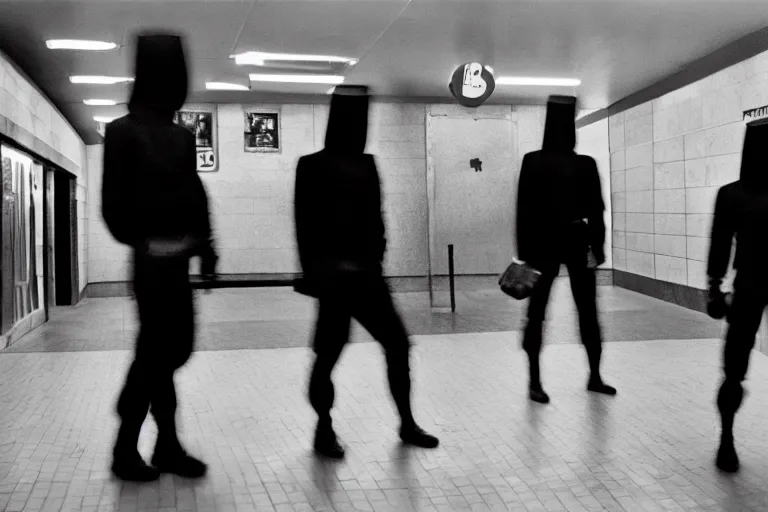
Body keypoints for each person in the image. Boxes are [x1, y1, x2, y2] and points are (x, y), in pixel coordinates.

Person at [293, 85, 439, 459]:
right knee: (328, 356)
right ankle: (324, 429)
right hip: (335, 279)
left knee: (396, 346)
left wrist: (376, 256)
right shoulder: (312, 165)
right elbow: (305, 224)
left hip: (366, 276)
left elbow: (377, 218)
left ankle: (406, 422)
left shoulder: (365, 164)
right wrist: (316, 270)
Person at [102, 33, 218, 482]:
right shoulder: (122, 132)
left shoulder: (182, 137)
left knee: (171, 353)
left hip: (177, 263)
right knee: (155, 355)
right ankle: (129, 446)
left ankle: (162, 445)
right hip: (151, 265)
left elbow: (194, 195)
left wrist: (204, 247)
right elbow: (114, 206)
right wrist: (149, 241)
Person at [516, 95, 616, 404]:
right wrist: (597, 250)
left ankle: (534, 381)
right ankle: (595, 376)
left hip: (542, 243)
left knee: (536, 313)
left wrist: (523, 254)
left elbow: (524, 210)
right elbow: (597, 211)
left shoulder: (532, 161)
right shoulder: (585, 164)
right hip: (577, 240)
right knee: (588, 311)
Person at [706, 120, 768, 473]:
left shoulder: (731, 194)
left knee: (733, 369)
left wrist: (714, 286)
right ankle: (726, 439)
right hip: (751, 283)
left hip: (749, 283)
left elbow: (719, 244)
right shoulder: (732, 194)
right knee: (733, 369)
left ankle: (726, 440)